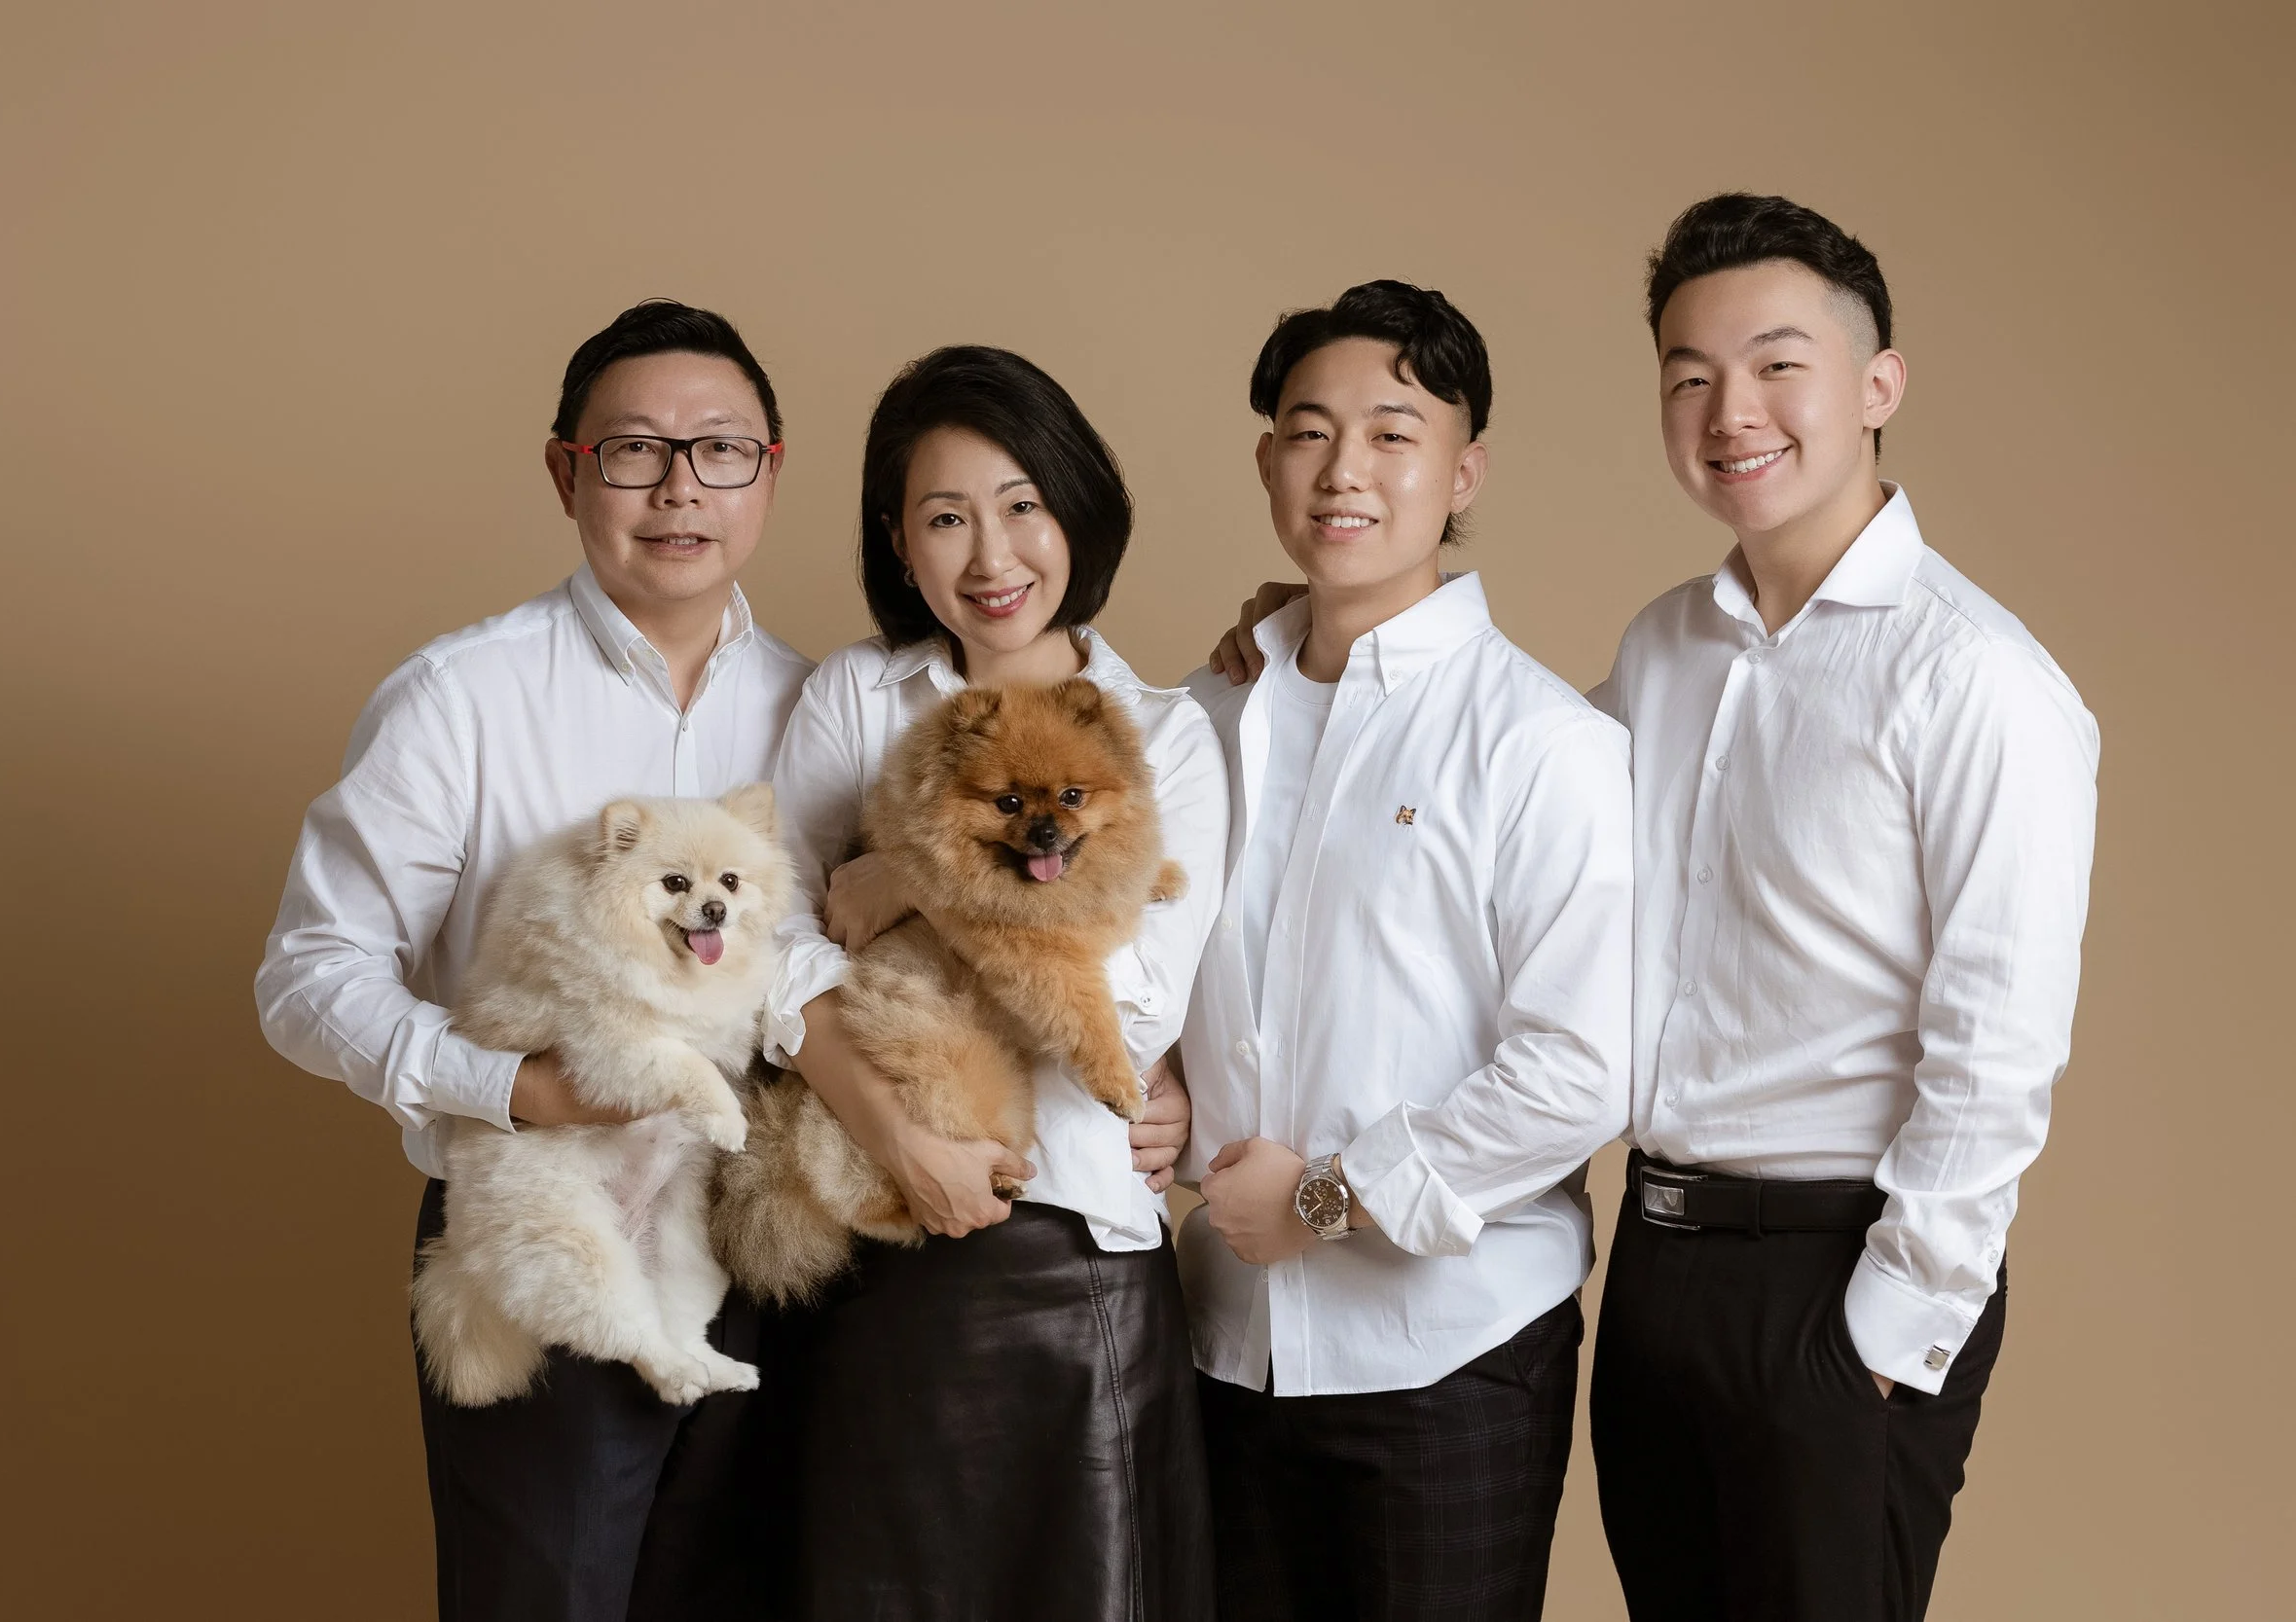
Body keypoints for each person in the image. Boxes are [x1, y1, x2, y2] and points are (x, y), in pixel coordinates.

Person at [254, 300, 815, 1620]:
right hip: (542, 1219)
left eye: (720, 449)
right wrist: (512, 1089)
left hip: (762, 1228)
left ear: (769, 472)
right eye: (634, 450)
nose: (680, 487)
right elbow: (308, 971)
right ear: (568, 472)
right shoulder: (461, 698)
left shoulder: (825, 706)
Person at [1586, 195, 2098, 1620]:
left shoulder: (1978, 680)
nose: (1730, 412)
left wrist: (1887, 1330)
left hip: (1840, 1275)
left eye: (1776, 364)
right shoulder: (1663, 648)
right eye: (1690, 376)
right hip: (1657, 1262)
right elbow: (1501, 819)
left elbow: (1999, 1042)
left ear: (1878, 386)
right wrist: (1311, 640)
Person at [1179, 280, 1633, 1621]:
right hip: (1220, 1346)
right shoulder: (1197, 719)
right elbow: (1138, 966)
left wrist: (1324, 1200)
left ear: (1462, 471)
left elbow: (1577, 1073)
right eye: (1310, 432)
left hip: (1450, 1354)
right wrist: (1154, 1088)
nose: (1346, 471)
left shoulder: (1542, 743)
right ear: (1268, 461)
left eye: (1393, 433)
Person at [760, 344, 1225, 1621]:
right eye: (945, 517)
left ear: (1077, 508)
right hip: (872, 1241)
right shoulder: (857, 696)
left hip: (1075, 1256)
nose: (991, 556)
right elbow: (777, 950)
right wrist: (899, 1137)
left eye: (1022, 505)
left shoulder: (1164, 731)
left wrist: (914, 875)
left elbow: (1134, 1000)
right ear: (898, 542)